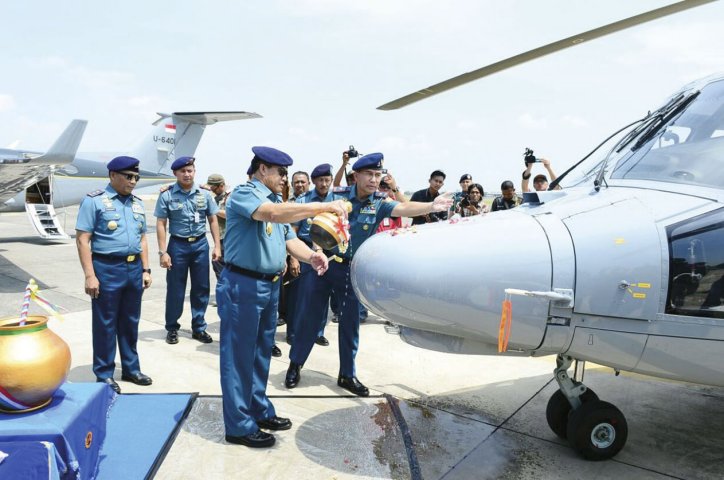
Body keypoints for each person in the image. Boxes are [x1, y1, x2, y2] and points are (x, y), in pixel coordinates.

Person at [285, 152, 453, 397]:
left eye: (378, 175)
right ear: (356, 175)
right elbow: (316, 225)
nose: (375, 179)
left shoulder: (379, 202)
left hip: (353, 269)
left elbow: (404, 207)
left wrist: (431, 206)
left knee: (350, 323)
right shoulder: (337, 196)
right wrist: (317, 250)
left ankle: (347, 374)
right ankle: (295, 365)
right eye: (370, 174)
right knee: (309, 319)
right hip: (324, 265)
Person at [217, 146, 348, 449]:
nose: (283, 179)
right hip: (243, 286)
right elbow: (272, 215)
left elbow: (289, 239)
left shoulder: (275, 200)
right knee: (239, 358)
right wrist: (320, 208)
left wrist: (313, 256)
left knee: (262, 352)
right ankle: (238, 425)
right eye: (280, 173)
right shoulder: (245, 195)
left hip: (271, 285)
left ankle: (258, 408)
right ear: (263, 169)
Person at [75, 156, 153, 394]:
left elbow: (142, 238)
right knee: (105, 323)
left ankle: (131, 368)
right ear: (112, 175)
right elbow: (83, 239)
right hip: (107, 269)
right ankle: (104, 373)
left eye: (136, 177)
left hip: (133, 269)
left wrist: (146, 269)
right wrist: (90, 275)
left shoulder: (137, 203)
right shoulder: (95, 201)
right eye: (129, 176)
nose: (133, 181)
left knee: (130, 322)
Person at [155, 156, 221, 345]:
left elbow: (213, 219)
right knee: (176, 289)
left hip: (200, 244)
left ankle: (199, 327)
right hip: (177, 246)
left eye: (190, 170)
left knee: (201, 288)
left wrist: (216, 245)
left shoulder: (204, 194)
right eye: (182, 171)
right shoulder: (167, 195)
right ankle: (172, 328)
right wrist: (163, 252)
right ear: (175, 173)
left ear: (194, 171)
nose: (187, 174)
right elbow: (161, 223)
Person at [288, 163, 336, 347]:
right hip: (305, 250)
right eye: (320, 180)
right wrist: (294, 258)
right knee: (301, 296)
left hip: (329, 252)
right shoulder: (303, 200)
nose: (324, 184)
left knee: (323, 295)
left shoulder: (335, 199)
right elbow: (293, 230)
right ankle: (293, 332)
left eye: (327, 180)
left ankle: (318, 332)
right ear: (313, 181)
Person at [206, 173, 229, 282]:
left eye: (213, 187)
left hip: (228, 238)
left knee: (219, 264)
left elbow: (229, 215)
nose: (211, 190)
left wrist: (213, 208)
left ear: (221, 185)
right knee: (218, 265)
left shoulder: (230, 197)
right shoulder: (216, 199)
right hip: (220, 239)